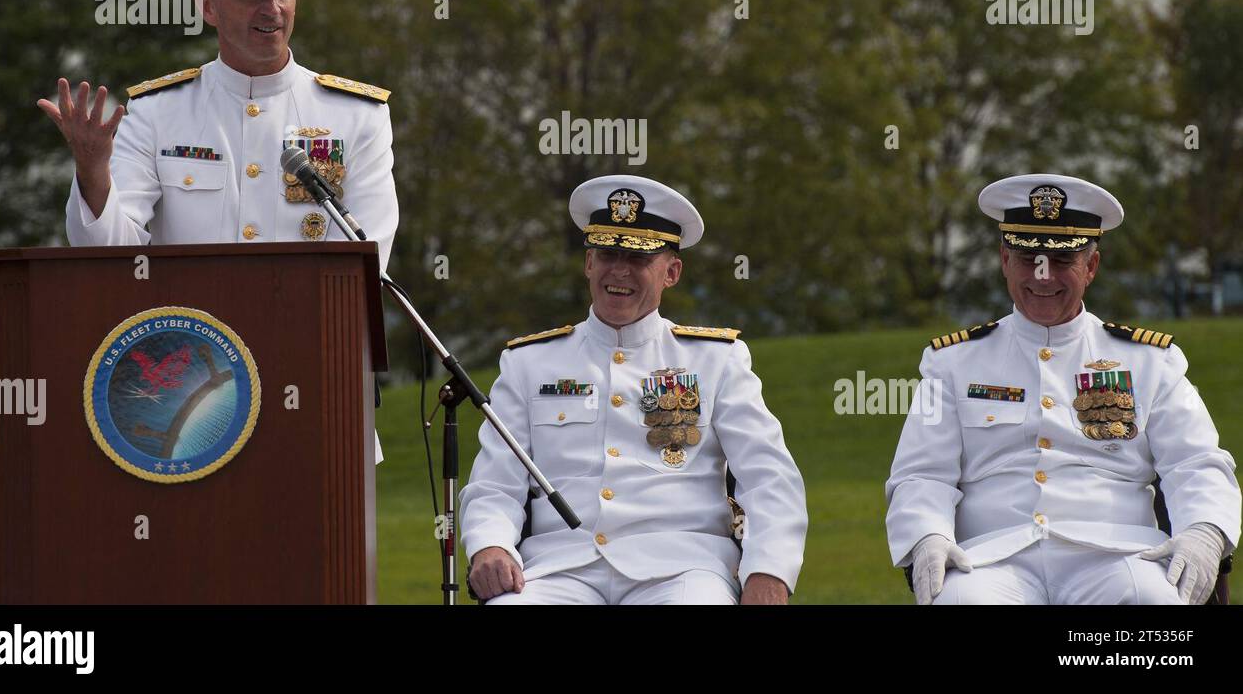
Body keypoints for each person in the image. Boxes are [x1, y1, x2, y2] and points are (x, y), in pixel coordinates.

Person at [886, 173, 1240, 605]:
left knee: (1153, 600)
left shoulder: (1150, 360)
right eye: (1027, 259)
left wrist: (1204, 531)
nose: (1043, 276)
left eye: (1061, 261)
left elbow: (1196, 463)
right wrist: (927, 537)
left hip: (1116, 555)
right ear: (1004, 260)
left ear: (1091, 267)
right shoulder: (952, 362)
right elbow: (922, 475)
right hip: (993, 560)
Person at [460, 175, 807, 605]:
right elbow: (495, 483)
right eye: (607, 254)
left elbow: (768, 476)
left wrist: (769, 569)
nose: (618, 271)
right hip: (558, 568)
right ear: (588, 263)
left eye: (638, 258)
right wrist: (490, 544)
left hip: (682, 568)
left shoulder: (717, 359)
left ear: (672, 272)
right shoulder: (528, 362)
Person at [37, 0, 398, 272]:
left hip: (310, 329)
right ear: (209, 7)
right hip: (189, 330)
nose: (271, 8)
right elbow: (111, 257)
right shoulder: (155, 112)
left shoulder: (358, 115)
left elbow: (364, 266)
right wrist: (93, 172)